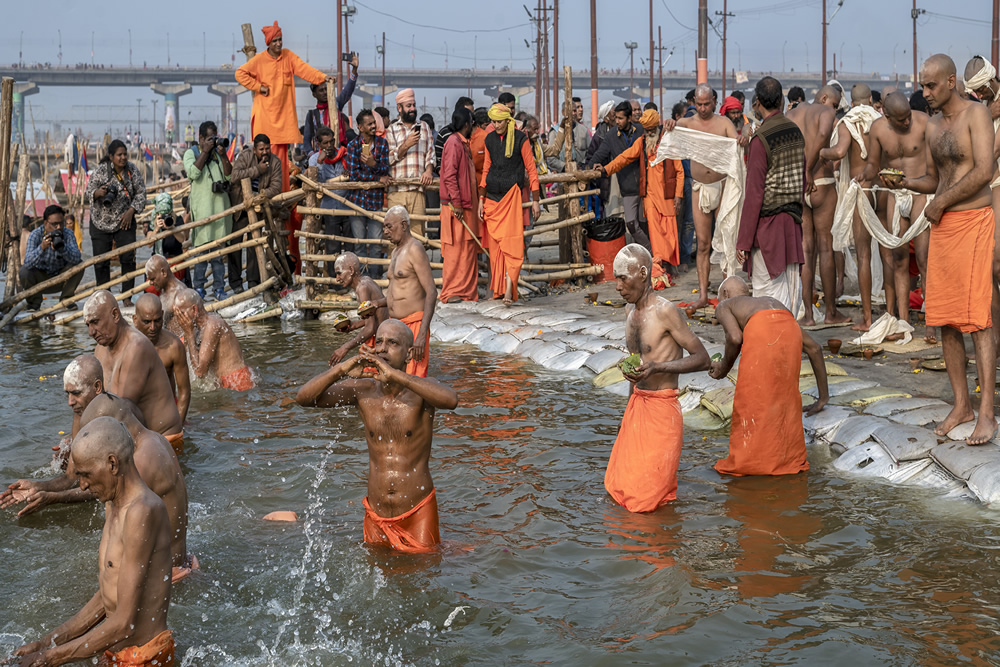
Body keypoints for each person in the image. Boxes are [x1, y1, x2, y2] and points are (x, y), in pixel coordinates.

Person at [11, 417, 174, 667]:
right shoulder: (113, 505)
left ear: (112, 464)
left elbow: (124, 623)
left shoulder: (143, 511)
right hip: (114, 652)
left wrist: (49, 658)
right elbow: (106, 597)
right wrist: (44, 643)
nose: (84, 486)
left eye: (86, 475)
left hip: (144, 658)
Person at [894, 54, 997, 444]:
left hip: (973, 222)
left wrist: (940, 202)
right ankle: (961, 404)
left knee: (978, 319)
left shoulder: (977, 115)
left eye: (931, 85)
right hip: (945, 226)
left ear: (952, 81)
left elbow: (984, 170)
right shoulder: (933, 126)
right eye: (922, 85)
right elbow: (937, 180)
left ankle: (986, 412)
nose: (925, 92)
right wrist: (905, 183)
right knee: (945, 318)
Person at [295, 319, 458, 553]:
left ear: (409, 354)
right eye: (379, 342)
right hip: (376, 511)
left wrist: (396, 376)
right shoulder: (362, 390)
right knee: (376, 572)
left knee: (423, 574)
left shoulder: (422, 391)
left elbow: (451, 400)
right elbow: (304, 399)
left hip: (418, 509)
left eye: (392, 343)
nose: (382, 348)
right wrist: (341, 370)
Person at [605, 244, 710, 512]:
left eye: (622, 278)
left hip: (663, 409)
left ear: (642, 273)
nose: (617, 287)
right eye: (615, 279)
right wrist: (625, 415)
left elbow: (702, 358)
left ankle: (659, 550)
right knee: (621, 490)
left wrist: (658, 368)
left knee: (650, 499)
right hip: (637, 407)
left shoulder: (666, 311)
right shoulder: (629, 313)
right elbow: (637, 367)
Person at [709, 276, 828, 476]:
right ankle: (785, 460)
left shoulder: (725, 305)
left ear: (725, 294)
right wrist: (823, 397)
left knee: (751, 400)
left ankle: (748, 463)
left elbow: (735, 337)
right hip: (787, 324)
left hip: (761, 329)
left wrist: (723, 368)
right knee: (782, 398)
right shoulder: (767, 303)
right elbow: (815, 348)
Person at [857, 92, 932, 333]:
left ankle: (931, 322)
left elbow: (935, 165)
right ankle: (903, 321)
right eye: (901, 120)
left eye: (908, 117)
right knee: (898, 258)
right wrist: (865, 176)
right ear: (887, 116)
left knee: (923, 258)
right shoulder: (877, 130)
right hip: (895, 195)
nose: (907, 123)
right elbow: (873, 163)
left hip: (920, 191)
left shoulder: (924, 123)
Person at [662, 83, 741, 310]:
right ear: (694, 103)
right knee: (704, 243)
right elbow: (672, 127)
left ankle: (728, 293)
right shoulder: (688, 123)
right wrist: (669, 123)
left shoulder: (724, 123)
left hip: (723, 185)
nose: (704, 108)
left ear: (714, 102)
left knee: (727, 240)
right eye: (699, 104)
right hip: (700, 188)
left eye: (707, 103)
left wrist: (744, 137)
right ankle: (704, 294)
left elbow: (737, 143)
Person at [235, 20, 332, 193]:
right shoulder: (259, 60)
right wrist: (259, 87)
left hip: (283, 120)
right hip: (265, 119)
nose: (279, 43)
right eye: (275, 41)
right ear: (269, 43)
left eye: (280, 40)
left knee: (281, 163)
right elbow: (240, 73)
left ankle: (282, 198)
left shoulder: (288, 56)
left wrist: (323, 78)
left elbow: (305, 69)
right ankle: (266, 194)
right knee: (264, 158)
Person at [735, 77, 806, 313]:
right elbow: (802, 176)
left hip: (768, 230)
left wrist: (743, 242)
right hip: (792, 224)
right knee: (789, 292)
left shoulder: (761, 139)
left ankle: (772, 346)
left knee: (767, 297)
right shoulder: (795, 131)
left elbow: (754, 194)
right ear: (781, 99)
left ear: (757, 103)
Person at [0, 355, 103, 514]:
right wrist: (37, 486)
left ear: (97, 387)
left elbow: (106, 488)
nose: (70, 402)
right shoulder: (80, 414)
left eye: (76, 393)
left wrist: (54, 498)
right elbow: (71, 478)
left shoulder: (112, 419)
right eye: (67, 394)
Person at [82, 290, 183, 447]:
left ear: (115, 315)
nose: (91, 332)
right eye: (88, 325)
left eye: (95, 322)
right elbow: (95, 403)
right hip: (130, 435)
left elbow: (120, 411)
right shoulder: (100, 348)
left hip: (164, 442)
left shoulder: (136, 346)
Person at [820, 83, 884, 331]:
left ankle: (867, 319)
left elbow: (839, 152)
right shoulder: (881, 121)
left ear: (852, 103)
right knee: (889, 254)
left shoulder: (848, 123)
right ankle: (894, 313)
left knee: (864, 254)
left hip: (861, 190)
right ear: (870, 98)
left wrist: (817, 152)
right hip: (883, 190)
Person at [786, 85, 850, 325]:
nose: (833, 110)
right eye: (834, 104)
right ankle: (831, 312)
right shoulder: (825, 113)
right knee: (826, 247)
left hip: (797, 187)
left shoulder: (790, 114)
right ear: (824, 98)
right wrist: (809, 170)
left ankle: (808, 316)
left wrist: (799, 174)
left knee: (805, 250)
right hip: (820, 181)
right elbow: (823, 135)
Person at [598, 109, 685, 269]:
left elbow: (680, 171)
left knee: (669, 234)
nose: (650, 132)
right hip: (650, 197)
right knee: (655, 232)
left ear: (657, 127)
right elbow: (624, 157)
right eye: (647, 130)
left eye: (652, 129)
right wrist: (606, 169)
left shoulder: (668, 142)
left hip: (668, 196)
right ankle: (658, 263)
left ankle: (666, 264)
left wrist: (678, 195)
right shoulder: (642, 142)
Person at [478, 103, 540, 304]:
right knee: (496, 249)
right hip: (492, 198)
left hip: (512, 196)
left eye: (499, 121)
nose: (495, 125)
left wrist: (536, 201)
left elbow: (531, 170)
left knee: (512, 245)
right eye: (493, 121)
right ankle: (498, 290)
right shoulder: (489, 140)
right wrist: (481, 199)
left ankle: (508, 290)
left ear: (508, 120)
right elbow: (486, 169)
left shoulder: (521, 139)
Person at [962, 55, 1000, 348]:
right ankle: (995, 340)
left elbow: (991, 153)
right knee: (989, 267)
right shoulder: (983, 108)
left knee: (994, 263)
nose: (979, 96)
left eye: (981, 91)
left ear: (990, 82)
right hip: (988, 184)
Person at [84, 139, 145, 305]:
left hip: (124, 221)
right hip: (100, 222)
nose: (123, 157)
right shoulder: (101, 171)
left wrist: (131, 211)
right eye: (119, 155)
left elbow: (141, 194)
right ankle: (105, 299)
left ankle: (127, 297)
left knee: (128, 258)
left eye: (125, 154)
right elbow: (87, 193)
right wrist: (98, 192)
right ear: (111, 157)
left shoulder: (132, 170)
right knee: (101, 262)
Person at [588, 101, 650, 250]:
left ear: (629, 118)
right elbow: (598, 156)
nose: (617, 121)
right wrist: (593, 166)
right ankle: (649, 250)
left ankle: (649, 258)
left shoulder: (641, 131)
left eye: (621, 118)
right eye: (616, 118)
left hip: (646, 185)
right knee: (631, 223)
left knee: (645, 222)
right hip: (627, 186)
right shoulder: (611, 136)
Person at [384, 206, 437, 377]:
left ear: (404, 225)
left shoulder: (415, 249)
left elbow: (431, 292)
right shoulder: (395, 251)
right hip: (395, 326)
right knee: (392, 379)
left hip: (413, 326)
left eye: (389, 226)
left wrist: (421, 334)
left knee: (414, 382)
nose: (385, 231)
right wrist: (375, 304)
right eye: (384, 227)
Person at [184, 120, 233, 302]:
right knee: (201, 256)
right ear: (201, 138)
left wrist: (223, 155)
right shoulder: (192, 153)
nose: (213, 141)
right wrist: (205, 151)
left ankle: (219, 289)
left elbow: (229, 175)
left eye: (215, 137)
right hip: (203, 214)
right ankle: (199, 290)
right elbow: (193, 173)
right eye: (210, 138)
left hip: (220, 212)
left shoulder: (217, 155)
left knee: (219, 257)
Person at [229, 133, 282, 292]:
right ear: (254, 150)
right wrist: (258, 169)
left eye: (267, 148)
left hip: (259, 208)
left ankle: (253, 281)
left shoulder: (275, 162)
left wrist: (259, 198)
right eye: (261, 149)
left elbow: (276, 187)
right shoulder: (245, 156)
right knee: (235, 243)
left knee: (255, 244)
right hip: (240, 206)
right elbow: (234, 177)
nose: (265, 152)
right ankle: (236, 283)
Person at [439, 107, 482, 303]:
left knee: (467, 250)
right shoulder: (454, 143)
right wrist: (456, 203)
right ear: (467, 124)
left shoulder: (461, 143)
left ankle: (466, 291)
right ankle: (453, 291)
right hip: (457, 207)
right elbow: (449, 175)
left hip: (465, 205)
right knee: (456, 251)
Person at [173, 288, 255, 391]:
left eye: (181, 313)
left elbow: (200, 372)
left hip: (237, 382)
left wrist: (189, 334)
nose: (179, 319)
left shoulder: (213, 325)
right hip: (223, 384)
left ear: (194, 310)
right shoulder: (196, 325)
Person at [344, 109, 392, 274]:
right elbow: (354, 174)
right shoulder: (352, 146)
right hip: (357, 202)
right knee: (359, 246)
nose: (373, 126)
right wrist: (377, 178)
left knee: (376, 244)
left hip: (375, 201)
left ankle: (375, 282)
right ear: (360, 127)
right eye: (369, 124)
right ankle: (362, 283)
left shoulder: (382, 144)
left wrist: (374, 165)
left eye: (374, 123)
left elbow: (385, 168)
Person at [133, 293, 191, 425]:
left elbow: (184, 392)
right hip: (138, 413)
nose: (153, 328)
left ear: (163, 315)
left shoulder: (174, 346)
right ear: (135, 320)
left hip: (168, 413)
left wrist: (178, 426)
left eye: (158, 320)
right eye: (147, 322)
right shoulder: (126, 346)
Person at [385, 89, 435, 235]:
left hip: (417, 190)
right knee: (395, 236)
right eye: (408, 106)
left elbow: (431, 154)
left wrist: (429, 170)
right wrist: (406, 145)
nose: (412, 109)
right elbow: (388, 159)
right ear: (399, 108)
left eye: (413, 105)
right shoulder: (392, 130)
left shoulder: (424, 127)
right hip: (397, 191)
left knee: (417, 235)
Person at [18, 204, 82, 311]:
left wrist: (62, 249)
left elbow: (77, 258)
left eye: (61, 223)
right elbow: (27, 263)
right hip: (40, 281)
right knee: (24, 271)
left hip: (61, 277)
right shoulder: (36, 235)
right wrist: (42, 248)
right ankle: (34, 302)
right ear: (45, 223)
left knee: (80, 265)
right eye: (54, 224)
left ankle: (66, 299)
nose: (58, 227)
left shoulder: (68, 234)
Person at [328, 252, 388, 365]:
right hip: (382, 334)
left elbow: (370, 328)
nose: (337, 279)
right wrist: (353, 325)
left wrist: (345, 348)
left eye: (339, 273)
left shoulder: (362, 288)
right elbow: (374, 318)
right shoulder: (365, 281)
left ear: (351, 270)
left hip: (381, 338)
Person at [307, 126, 350, 277]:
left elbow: (352, 173)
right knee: (333, 248)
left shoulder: (343, 154)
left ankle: (351, 280)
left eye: (331, 142)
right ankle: (335, 282)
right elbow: (314, 182)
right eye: (325, 143)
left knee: (351, 247)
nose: (329, 146)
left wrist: (348, 173)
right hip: (329, 209)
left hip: (347, 207)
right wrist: (321, 160)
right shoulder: (314, 159)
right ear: (319, 144)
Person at [302, 51, 358, 152]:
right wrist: (312, 156)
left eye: (326, 89)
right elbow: (306, 140)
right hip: (320, 157)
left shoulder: (336, 105)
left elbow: (347, 91)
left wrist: (354, 70)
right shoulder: (312, 115)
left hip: (338, 153)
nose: (324, 92)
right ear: (314, 94)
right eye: (321, 90)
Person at [545, 96, 590, 172]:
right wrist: (565, 167)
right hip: (562, 176)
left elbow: (590, 152)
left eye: (575, 111)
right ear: (563, 112)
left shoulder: (584, 130)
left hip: (581, 174)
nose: (573, 114)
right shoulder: (555, 132)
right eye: (570, 111)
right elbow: (551, 159)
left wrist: (582, 165)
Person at [145, 254, 188, 334]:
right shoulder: (164, 290)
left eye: (153, 279)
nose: (150, 283)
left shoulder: (179, 294)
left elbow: (187, 331)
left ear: (164, 273)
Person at [144, 192, 187, 272]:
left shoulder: (177, 219)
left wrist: (172, 227)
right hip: (158, 261)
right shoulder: (154, 222)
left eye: (167, 214)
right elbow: (149, 244)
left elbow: (182, 239)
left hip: (175, 260)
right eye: (162, 214)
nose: (165, 217)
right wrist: (156, 229)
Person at [433, 97, 475, 172]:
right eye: (469, 114)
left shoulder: (474, 133)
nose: (472, 117)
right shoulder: (446, 135)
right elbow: (438, 161)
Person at [470, 107, 491, 192]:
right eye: (486, 125)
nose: (490, 128)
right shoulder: (463, 137)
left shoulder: (486, 137)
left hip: (484, 187)